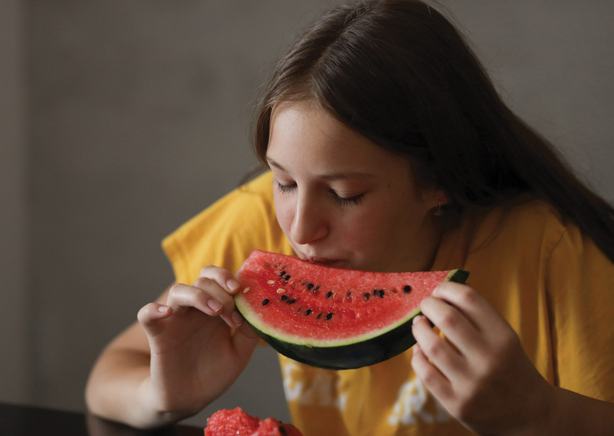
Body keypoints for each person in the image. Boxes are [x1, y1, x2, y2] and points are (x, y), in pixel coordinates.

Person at [85, 1, 614, 434]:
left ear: (440, 179)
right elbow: (110, 373)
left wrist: (541, 415)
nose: (299, 229)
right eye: (284, 182)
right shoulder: (259, 221)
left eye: (345, 195)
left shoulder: (550, 249)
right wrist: (161, 396)